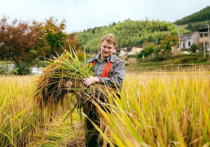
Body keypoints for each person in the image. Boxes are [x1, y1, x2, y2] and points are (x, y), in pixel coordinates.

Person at [83, 33, 125, 147]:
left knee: (109, 134)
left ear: (114, 48)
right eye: (104, 46)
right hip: (91, 103)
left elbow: (117, 82)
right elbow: (81, 80)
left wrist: (97, 79)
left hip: (109, 104)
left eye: (109, 47)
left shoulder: (118, 63)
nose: (106, 50)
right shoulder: (90, 63)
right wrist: (70, 84)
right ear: (101, 45)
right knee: (91, 133)